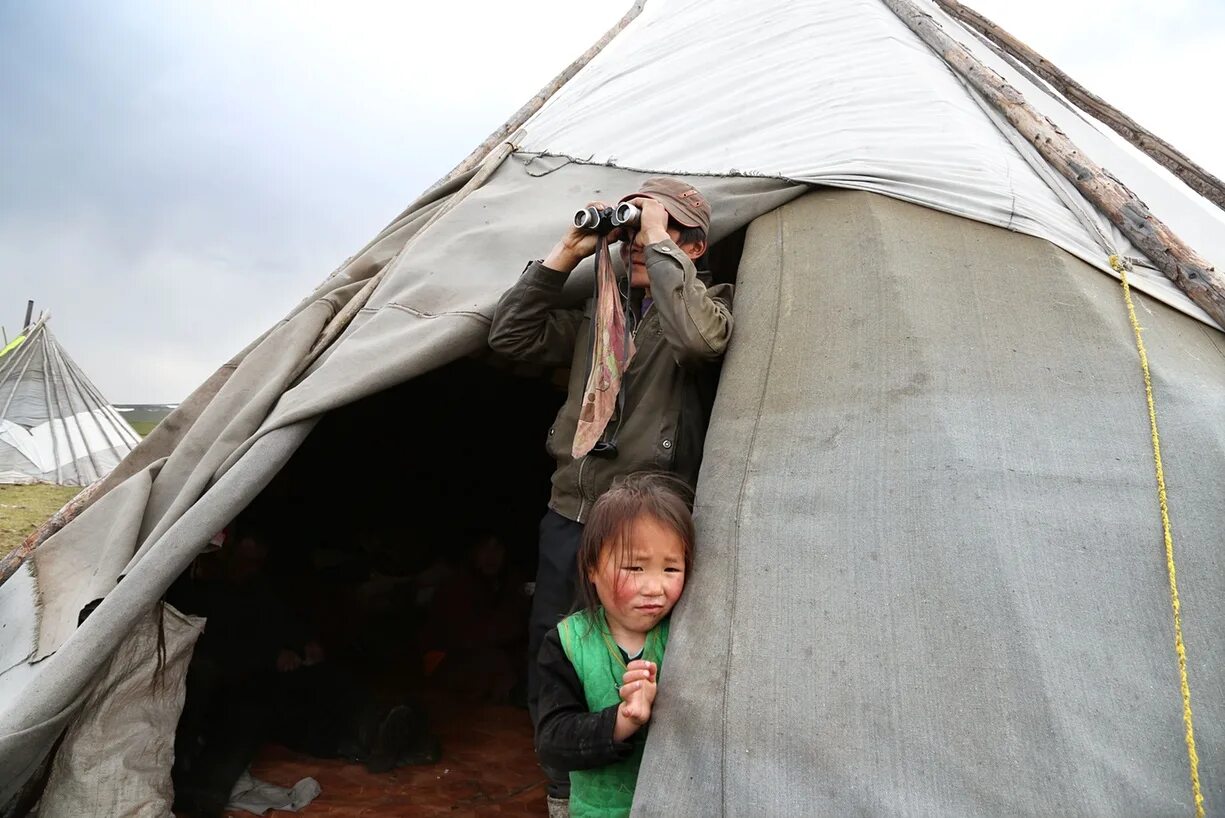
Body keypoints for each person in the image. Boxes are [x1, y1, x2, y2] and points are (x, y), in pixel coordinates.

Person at [487, 177, 728, 803]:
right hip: (573, 511)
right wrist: (568, 252)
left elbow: (698, 340)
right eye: (634, 229)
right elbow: (510, 338)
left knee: (638, 655)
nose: (640, 243)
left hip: (644, 526)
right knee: (561, 648)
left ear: (694, 247)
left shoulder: (710, 305)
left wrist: (657, 241)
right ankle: (562, 789)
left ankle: (646, 787)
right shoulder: (604, 309)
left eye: (666, 229)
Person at [534, 473, 695, 818]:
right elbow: (552, 741)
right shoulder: (566, 644)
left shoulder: (689, 634)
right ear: (592, 567)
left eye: (671, 568)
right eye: (635, 567)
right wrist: (621, 722)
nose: (655, 587)